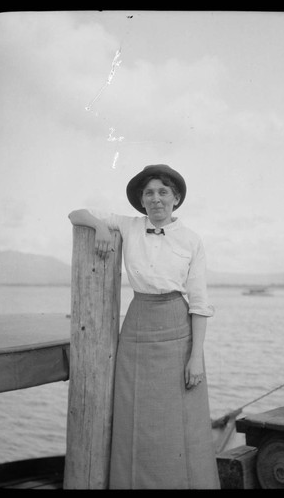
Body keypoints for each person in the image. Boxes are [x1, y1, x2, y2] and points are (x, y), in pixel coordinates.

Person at [68, 164, 220, 489]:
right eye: (149, 193)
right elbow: (76, 213)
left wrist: (196, 358)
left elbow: (200, 302)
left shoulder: (192, 240)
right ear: (141, 200)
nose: (156, 199)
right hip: (137, 327)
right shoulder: (129, 225)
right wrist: (101, 228)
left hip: (178, 330)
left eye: (163, 192)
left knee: (179, 420)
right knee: (133, 414)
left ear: (176, 198)